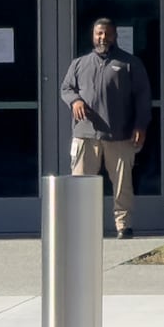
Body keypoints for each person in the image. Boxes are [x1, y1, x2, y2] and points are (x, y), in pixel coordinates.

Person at [62, 15, 155, 232]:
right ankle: (82, 227)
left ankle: (123, 225)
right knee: (81, 184)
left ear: (115, 35)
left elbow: (143, 98)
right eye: (99, 33)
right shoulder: (79, 64)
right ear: (93, 36)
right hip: (85, 135)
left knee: (122, 185)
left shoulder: (129, 63)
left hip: (120, 135)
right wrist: (75, 101)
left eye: (107, 33)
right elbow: (66, 88)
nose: (103, 37)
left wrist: (140, 125)